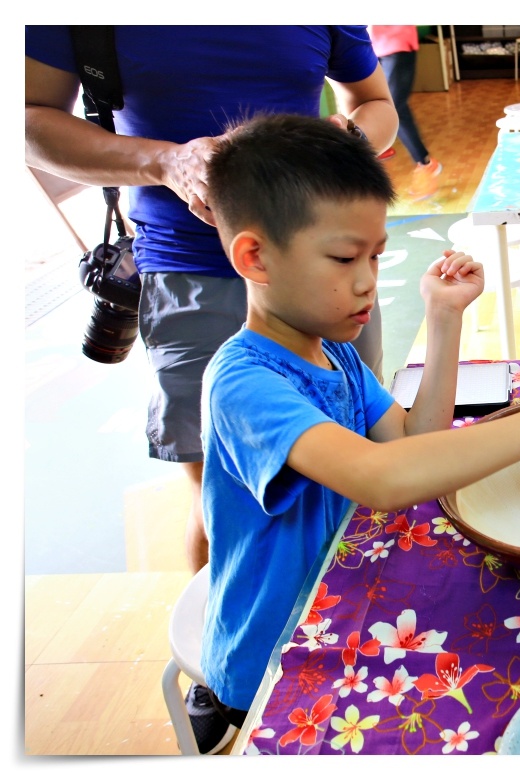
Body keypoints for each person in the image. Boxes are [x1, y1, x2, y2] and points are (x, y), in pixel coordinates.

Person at [197, 114, 520, 749]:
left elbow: (408, 443)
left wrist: (443, 317)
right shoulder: (243, 383)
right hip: (275, 653)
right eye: (345, 258)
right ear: (255, 257)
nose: (368, 280)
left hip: (340, 599)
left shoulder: (330, 348)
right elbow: (383, 479)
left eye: (376, 255)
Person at [25, 25, 397, 597]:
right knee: (223, 498)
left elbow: (375, 101)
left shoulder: (346, 286)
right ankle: (222, 657)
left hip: (321, 268)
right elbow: (28, 120)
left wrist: (346, 140)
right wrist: (165, 163)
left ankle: (354, 609)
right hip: (189, 268)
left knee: (352, 453)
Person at [369, 25, 442, 201]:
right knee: (375, 105)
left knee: (394, 108)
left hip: (396, 42)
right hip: (369, 46)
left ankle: (426, 164)